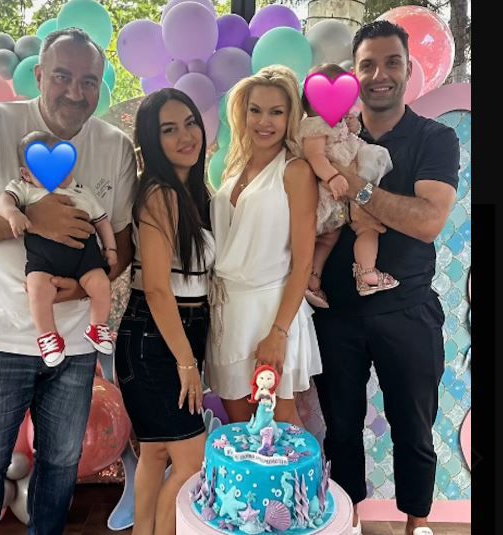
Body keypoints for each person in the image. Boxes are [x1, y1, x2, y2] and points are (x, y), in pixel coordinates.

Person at [0, 28, 137, 534]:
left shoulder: (113, 146)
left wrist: (84, 287)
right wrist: (33, 219)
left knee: (61, 464)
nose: (75, 92)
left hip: (77, 344)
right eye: (62, 76)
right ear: (39, 75)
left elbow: (122, 243)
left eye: (89, 81)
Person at [311, 21, 460, 535]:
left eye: (391, 62)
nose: (380, 74)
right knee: (341, 431)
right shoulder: (334, 136)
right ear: (354, 74)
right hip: (335, 312)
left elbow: (428, 221)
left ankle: (417, 524)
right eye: (368, 64)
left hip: (408, 309)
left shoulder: (434, 139)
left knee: (414, 430)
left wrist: (357, 188)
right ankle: (347, 522)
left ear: (408, 69)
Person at [114, 88, 214, 535]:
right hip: (157, 338)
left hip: (169, 333)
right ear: (152, 142)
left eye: (190, 123)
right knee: (192, 465)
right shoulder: (161, 194)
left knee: (155, 454)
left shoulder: (191, 192)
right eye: (168, 130)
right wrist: (186, 362)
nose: (185, 136)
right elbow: (156, 288)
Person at [205, 65, 322, 428]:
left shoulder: (296, 171)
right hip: (227, 313)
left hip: (272, 309)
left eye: (276, 112)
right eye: (255, 110)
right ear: (243, 113)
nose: (264, 121)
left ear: (290, 118)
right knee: (241, 431)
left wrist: (278, 332)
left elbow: (303, 262)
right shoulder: (233, 169)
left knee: (281, 429)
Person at [0, 130, 117, 366]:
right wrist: (13, 214)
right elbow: (3, 201)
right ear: (26, 174)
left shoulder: (81, 191)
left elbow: (102, 221)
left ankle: (97, 326)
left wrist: (110, 249)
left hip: (85, 257)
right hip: (44, 259)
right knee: (37, 289)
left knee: (101, 284)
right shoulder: (26, 189)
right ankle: (48, 335)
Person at [298, 63, 398, 309]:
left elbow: (350, 137)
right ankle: (355, 274)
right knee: (330, 236)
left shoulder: (337, 123)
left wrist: (353, 126)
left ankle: (318, 278)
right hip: (330, 191)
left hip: (344, 193)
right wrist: (333, 177)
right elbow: (315, 157)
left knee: (334, 237)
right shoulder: (314, 126)